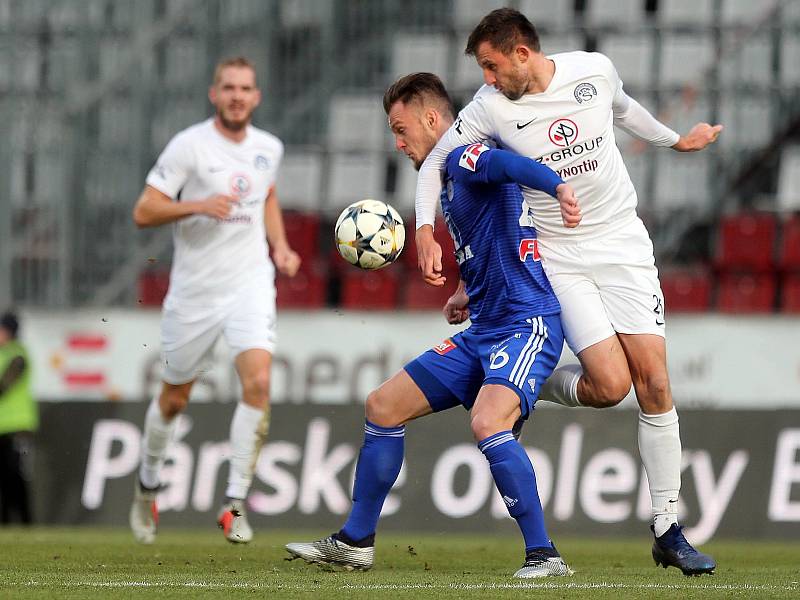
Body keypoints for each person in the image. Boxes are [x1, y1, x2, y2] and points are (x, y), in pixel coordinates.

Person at [412, 8, 721, 576]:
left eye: (491, 65)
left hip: (623, 242)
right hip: (559, 257)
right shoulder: (490, 108)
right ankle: (512, 380)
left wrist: (677, 140)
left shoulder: (594, 71)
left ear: (521, 54)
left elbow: (625, 110)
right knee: (608, 386)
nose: (486, 78)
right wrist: (425, 228)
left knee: (653, 380)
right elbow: (435, 161)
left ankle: (667, 526)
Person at [286, 73, 578, 578]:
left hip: (525, 323)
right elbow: (499, 236)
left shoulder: (463, 155)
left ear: (430, 119)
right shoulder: (446, 184)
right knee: (382, 405)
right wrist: (467, 291)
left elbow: (506, 164)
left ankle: (544, 555)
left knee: (488, 421)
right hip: (486, 326)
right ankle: (356, 541)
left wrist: (557, 186)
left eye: (401, 130)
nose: (398, 143)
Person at [129, 56, 301, 544]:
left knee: (259, 382)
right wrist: (197, 204)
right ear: (214, 94)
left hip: (250, 285)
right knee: (173, 398)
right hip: (194, 294)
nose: (237, 96)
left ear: (256, 96)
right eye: (228, 87)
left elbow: (266, 196)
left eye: (245, 88)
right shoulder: (190, 145)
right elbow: (144, 210)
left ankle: (235, 503)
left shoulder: (270, 147)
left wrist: (281, 246)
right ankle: (146, 485)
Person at [0, 311, 38, 525]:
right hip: (1, 426)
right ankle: (5, 523)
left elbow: (5, 384)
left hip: (18, 426)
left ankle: (25, 522)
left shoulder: (18, 354)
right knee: (4, 478)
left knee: (17, 476)